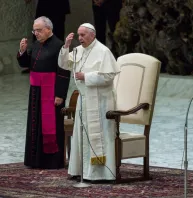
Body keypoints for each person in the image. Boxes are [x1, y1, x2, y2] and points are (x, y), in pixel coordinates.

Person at [58, 23, 120, 182]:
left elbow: (109, 76)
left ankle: (101, 173)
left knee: (100, 136)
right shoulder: (78, 50)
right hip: (84, 99)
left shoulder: (103, 51)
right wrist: (66, 46)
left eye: (83, 35)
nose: (80, 38)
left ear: (92, 35)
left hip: (100, 101)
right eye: (78, 35)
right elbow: (64, 64)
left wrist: (86, 77)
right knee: (81, 135)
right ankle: (82, 171)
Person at [17, 16, 71, 169]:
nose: (36, 34)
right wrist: (22, 52)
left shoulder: (59, 46)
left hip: (51, 92)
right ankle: (35, 160)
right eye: (34, 31)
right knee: (35, 126)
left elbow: (63, 72)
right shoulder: (35, 45)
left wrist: (60, 94)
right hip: (35, 92)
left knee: (50, 127)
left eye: (39, 30)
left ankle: (52, 161)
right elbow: (27, 64)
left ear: (49, 29)